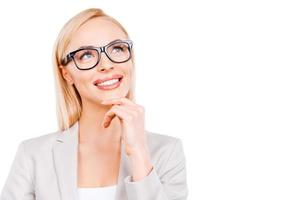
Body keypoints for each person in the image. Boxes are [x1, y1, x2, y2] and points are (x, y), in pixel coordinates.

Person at [0, 7, 188, 200]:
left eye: (117, 49)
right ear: (67, 74)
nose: (106, 64)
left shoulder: (167, 152)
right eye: (87, 55)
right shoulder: (33, 155)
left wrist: (139, 152)